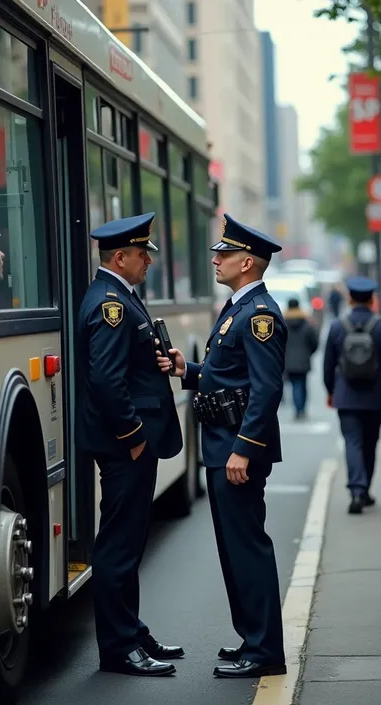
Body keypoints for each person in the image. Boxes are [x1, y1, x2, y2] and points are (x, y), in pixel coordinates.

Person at [156, 213, 287, 679]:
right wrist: (186, 370)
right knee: (233, 549)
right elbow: (228, 375)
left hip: (236, 450)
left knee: (247, 547)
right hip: (222, 445)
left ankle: (265, 651)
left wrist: (244, 449)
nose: (217, 259)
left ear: (247, 262)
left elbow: (267, 388)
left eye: (225, 254)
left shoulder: (259, 316)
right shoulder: (237, 308)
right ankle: (253, 639)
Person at [76, 212, 184, 677]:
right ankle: (119, 647)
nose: (149, 262)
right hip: (126, 445)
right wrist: (134, 437)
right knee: (119, 545)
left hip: (133, 442)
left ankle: (132, 632)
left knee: (130, 540)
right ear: (120, 258)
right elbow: (106, 379)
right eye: (143, 254)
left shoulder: (121, 295)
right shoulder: (110, 303)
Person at [323, 276, 381, 514]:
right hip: (376, 397)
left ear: (349, 298)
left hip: (346, 396)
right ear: (371, 300)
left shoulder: (337, 326)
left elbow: (328, 365)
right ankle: (365, 489)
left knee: (353, 442)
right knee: (370, 443)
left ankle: (356, 490)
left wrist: (330, 391)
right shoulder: (379, 326)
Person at [283, 297, 319, 420]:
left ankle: (298, 409)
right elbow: (314, 342)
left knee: (294, 386)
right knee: (302, 385)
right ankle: (302, 409)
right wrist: (309, 353)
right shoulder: (307, 324)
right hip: (303, 360)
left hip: (288, 360)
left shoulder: (283, 323)